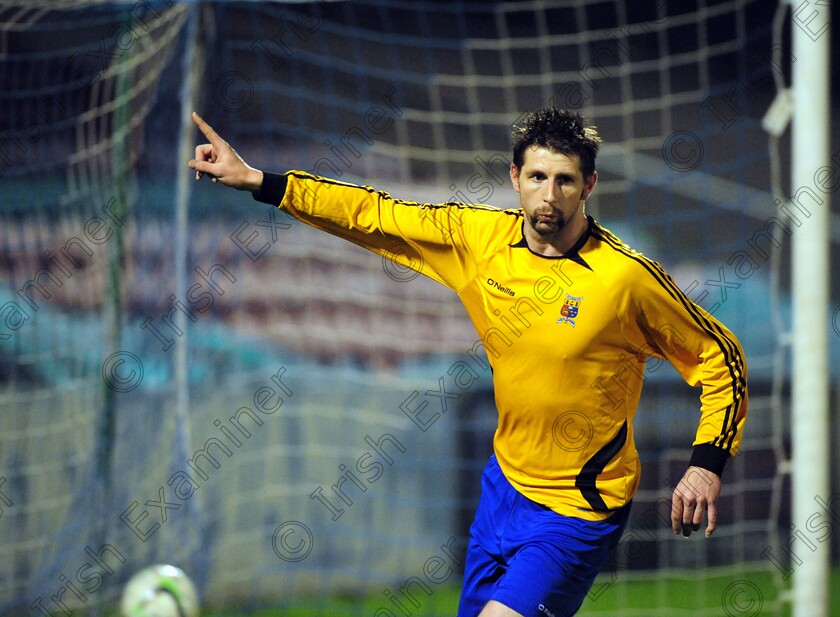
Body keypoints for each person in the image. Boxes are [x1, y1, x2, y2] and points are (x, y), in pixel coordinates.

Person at [188, 107, 748, 617]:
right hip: (502, 488)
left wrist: (706, 463)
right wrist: (261, 181)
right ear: (514, 178)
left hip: (579, 507)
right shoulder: (479, 242)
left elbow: (719, 355)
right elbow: (373, 215)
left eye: (564, 180)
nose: (548, 195)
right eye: (536, 177)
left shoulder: (624, 280)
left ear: (589, 186)